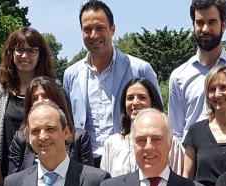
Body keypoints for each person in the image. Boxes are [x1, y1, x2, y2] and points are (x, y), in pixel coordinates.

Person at [63, 1, 160, 165]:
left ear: (112, 29)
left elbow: (158, 115)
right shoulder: (70, 74)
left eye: (100, 28)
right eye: (87, 29)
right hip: (84, 162)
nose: (93, 35)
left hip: (127, 160)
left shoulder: (139, 69)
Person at [168, 0, 226, 141]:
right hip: (192, 159)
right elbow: (176, 132)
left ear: (224, 25)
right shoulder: (179, 76)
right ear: (193, 25)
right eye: (200, 22)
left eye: (211, 22)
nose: (205, 29)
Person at [0, 27, 57, 177]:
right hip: (5, 174)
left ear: (40, 54)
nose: (24, 55)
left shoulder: (55, 91)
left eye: (31, 50)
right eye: (19, 49)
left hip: (45, 171)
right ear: (11, 53)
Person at [7, 76, 95, 172]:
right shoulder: (20, 138)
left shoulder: (79, 137)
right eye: (34, 98)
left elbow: (88, 177)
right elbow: (14, 181)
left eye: (45, 96)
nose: (40, 101)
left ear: (58, 100)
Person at [101, 78, 185, 177]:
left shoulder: (170, 142)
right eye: (130, 98)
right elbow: (106, 185)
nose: (135, 102)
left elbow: (179, 182)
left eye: (142, 97)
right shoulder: (112, 144)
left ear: (152, 103)